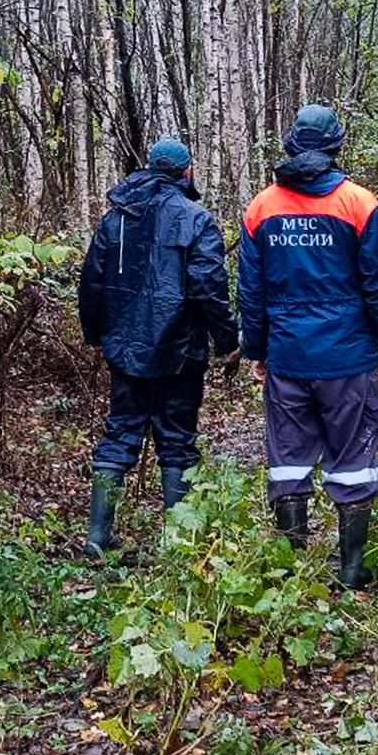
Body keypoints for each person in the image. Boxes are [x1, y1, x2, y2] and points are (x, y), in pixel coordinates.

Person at [238, 104, 378, 589]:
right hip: (347, 358)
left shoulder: (262, 207)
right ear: (335, 146)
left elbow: (250, 290)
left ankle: (291, 575)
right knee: (353, 458)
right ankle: (352, 570)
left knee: (288, 458)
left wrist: (257, 351)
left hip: (289, 357)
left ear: (293, 143)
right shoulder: (359, 204)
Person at [76, 137, 240, 556]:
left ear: (151, 168)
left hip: (128, 349)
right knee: (177, 440)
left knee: (121, 433)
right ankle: (178, 545)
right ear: (186, 172)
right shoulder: (196, 219)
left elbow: (91, 282)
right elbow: (209, 286)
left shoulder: (117, 218)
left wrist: (98, 336)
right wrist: (228, 341)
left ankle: (97, 538)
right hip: (180, 352)